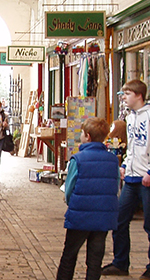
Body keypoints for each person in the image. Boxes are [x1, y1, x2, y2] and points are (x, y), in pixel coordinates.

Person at [101, 80, 150, 280]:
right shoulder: (130, 118)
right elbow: (132, 147)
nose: (123, 97)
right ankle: (120, 262)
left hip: (148, 178)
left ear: (139, 95)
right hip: (131, 178)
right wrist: (125, 166)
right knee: (119, 220)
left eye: (127, 93)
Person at [56, 117, 121, 280]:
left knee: (69, 256)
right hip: (103, 216)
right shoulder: (113, 160)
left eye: (82, 134)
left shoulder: (78, 159)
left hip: (80, 216)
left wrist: (72, 204)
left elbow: (69, 189)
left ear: (88, 136)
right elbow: (116, 186)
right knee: (95, 259)